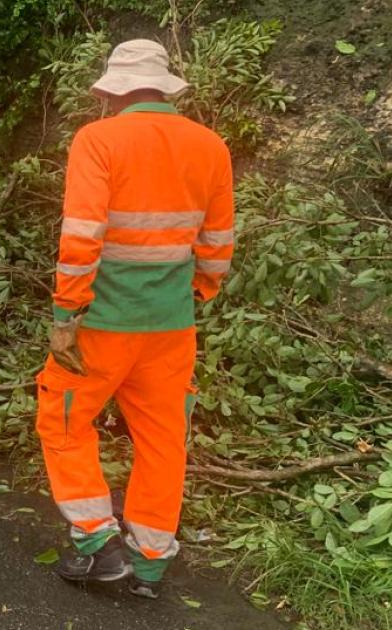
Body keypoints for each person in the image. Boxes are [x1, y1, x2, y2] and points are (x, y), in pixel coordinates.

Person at [35, 39, 234, 599]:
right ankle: (149, 561)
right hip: (172, 327)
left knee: (64, 421)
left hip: (102, 322)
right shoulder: (210, 146)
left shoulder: (99, 139)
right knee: (164, 438)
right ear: (164, 89)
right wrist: (197, 292)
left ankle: (99, 544)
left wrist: (65, 312)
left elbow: (81, 235)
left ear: (111, 94)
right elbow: (218, 244)